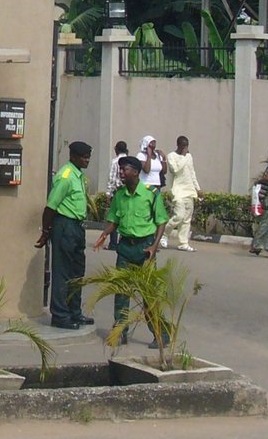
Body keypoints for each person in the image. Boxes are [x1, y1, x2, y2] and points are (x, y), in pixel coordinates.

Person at [94, 155, 170, 344]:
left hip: (145, 249)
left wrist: (154, 245)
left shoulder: (150, 193)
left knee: (148, 295)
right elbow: (114, 220)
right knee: (121, 292)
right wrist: (104, 235)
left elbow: (161, 221)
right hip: (125, 248)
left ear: (135, 172)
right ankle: (121, 331)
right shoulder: (119, 195)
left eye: (125, 169)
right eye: (120, 169)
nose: (121, 173)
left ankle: (161, 335)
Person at [36, 140, 94, 329]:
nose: (87, 161)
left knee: (77, 272)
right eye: (84, 157)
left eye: (88, 157)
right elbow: (51, 206)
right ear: (73, 157)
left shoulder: (78, 175)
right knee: (63, 272)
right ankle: (60, 315)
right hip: (64, 225)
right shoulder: (66, 176)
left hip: (77, 227)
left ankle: (74, 312)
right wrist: (46, 232)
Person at [166, 135, 202, 252]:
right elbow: (175, 170)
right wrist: (183, 157)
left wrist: (198, 188)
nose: (186, 148)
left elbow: (192, 173)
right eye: (183, 146)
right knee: (179, 216)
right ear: (179, 145)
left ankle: (183, 243)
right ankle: (163, 234)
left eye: (187, 146)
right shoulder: (172, 156)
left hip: (189, 191)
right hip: (178, 191)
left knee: (186, 219)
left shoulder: (189, 157)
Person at [139, 135, 168, 246]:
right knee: (147, 213)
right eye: (151, 142)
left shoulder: (158, 156)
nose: (154, 145)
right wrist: (149, 155)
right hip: (146, 186)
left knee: (156, 214)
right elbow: (146, 170)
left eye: (155, 142)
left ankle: (154, 241)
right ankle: (145, 239)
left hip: (157, 187)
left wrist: (164, 159)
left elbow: (164, 171)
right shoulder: (141, 155)